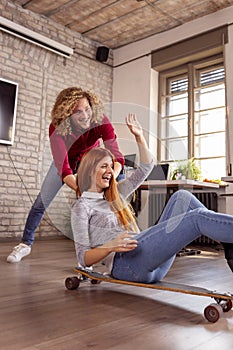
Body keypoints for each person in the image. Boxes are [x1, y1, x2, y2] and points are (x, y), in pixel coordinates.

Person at [71, 113, 233, 284]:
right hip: (127, 266)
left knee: (182, 197)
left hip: (150, 261)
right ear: (89, 170)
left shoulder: (116, 194)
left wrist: (139, 137)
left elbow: (146, 168)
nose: (110, 172)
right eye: (104, 166)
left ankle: (230, 246)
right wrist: (111, 246)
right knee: (197, 217)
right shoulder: (82, 207)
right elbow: (83, 258)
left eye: (111, 167)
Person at [7, 87, 125, 263]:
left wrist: (111, 179)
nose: (85, 115)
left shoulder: (101, 121)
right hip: (65, 162)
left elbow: (117, 157)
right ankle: (25, 244)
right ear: (67, 115)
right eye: (77, 112)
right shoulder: (57, 128)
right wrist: (87, 190)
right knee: (41, 202)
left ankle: (107, 245)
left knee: (118, 187)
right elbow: (64, 170)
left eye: (87, 109)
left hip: (90, 161)